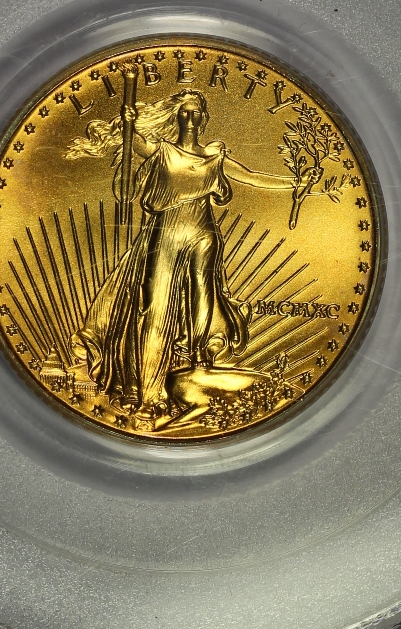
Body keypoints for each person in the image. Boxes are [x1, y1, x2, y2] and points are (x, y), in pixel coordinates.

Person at [69, 89, 296, 425]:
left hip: (204, 233)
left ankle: (200, 360)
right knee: (155, 307)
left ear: (204, 118)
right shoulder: (162, 150)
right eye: (184, 112)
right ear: (177, 117)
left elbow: (251, 176)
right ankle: (150, 393)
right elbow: (136, 145)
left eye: (195, 113)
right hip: (166, 233)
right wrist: (128, 124)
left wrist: (296, 182)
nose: (190, 118)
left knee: (204, 299)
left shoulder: (214, 158)